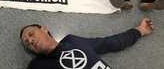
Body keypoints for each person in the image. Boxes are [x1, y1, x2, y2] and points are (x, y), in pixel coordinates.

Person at [21, 18, 154, 69]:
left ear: (44, 29)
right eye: (27, 43)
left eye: (31, 34)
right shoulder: (37, 65)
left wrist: (139, 30)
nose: (30, 41)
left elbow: (109, 43)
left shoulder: (72, 40)